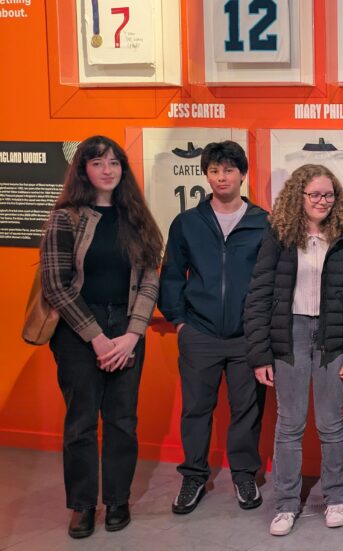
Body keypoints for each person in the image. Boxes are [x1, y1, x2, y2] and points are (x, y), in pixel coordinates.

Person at [39, 135, 163, 539]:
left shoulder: (137, 218)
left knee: (123, 421)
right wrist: (96, 338)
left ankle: (117, 500)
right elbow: (56, 286)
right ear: (83, 170)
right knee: (80, 422)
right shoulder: (66, 218)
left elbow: (149, 281)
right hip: (78, 332)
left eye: (114, 162)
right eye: (97, 163)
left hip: (126, 328)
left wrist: (131, 335)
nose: (107, 169)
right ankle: (81, 505)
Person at [243, 164, 343, 536]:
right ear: (299, 195)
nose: (322, 201)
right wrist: (260, 355)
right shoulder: (280, 233)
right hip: (291, 332)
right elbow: (260, 294)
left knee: (332, 424)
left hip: (333, 335)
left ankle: (335, 498)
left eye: (329, 195)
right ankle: (285, 505)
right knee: (289, 424)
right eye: (315, 194)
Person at [159, 140, 270, 514]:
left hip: (246, 336)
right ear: (205, 175)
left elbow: (271, 280)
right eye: (214, 171)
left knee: (247, 409)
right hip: (199, 333)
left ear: (242, 174)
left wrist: (263, 327)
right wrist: (180, 323)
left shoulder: (263, 222)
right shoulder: (188, 223)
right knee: (195, 409)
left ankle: (243, 473)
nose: (221, 177)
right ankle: (193, 475)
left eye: (228, 170)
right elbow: (171, 275)